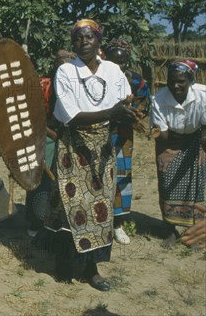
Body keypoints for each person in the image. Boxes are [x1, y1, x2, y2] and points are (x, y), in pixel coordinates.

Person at [45, 19, 139, 291]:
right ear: (73, 43)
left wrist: (127, 114)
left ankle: (91, 268)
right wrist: (111, 113)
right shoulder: (66, 71)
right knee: (71, 204)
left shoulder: (111, 69)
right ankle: (63, 262)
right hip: (74, 147)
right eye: (78, 38)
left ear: (99, 40)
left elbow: (125, 98)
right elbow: (72, 116)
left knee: (99, 207)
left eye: (89, 37)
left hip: (103, 148)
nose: (84, 42)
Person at [151, 60, 206, 249]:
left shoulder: (202, 95)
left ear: (190, 80)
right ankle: (170, 230)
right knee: (167, 184)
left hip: (197, 139)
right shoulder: (158, 99)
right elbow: (162, 133)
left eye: (181, 81)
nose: (175, 86)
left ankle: (195, 233)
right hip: (169, 142)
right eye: (171, 81)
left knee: (197, 185)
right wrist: (156, 133)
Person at [104, 39, 151, 245]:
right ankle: (100, 220)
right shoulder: (97, 77)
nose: (118, 67)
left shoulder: (136, 81)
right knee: (98, 175)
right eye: (114, 62)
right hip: (98, 133)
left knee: (121, 177)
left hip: (122, 136)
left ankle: (117, 223)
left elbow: (143, 107)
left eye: (122, 63)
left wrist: (133, 115)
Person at [25, 50, 75, 237]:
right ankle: (35, 223)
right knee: (41, 180)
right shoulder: (42, 86)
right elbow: (34, 118)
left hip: (69, 138)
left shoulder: (77, 86)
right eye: (59, 67)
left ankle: (56, 223)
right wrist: (55, 136)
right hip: (44, 136)